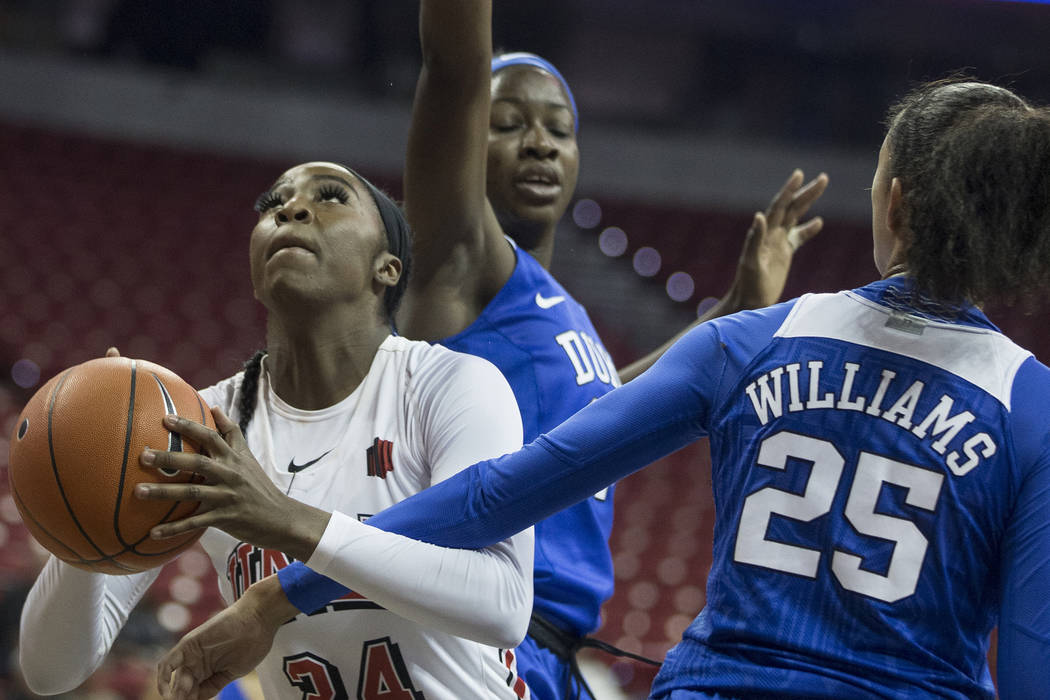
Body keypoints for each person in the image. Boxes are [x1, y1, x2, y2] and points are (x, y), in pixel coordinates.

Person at [157, 78, 1050, 699]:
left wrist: (280, 593)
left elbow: (503, 492)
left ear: (891, 206)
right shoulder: (1033, 407)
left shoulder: (752, 342)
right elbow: (1034, 664)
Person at [267, 3, 828, 697]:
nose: (540, 144)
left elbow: (598, 413)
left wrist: (734, 309)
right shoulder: (458, 259)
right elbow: (453, 70)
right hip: (481, 638)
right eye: (507, 125)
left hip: (548, 654)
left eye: (559, 130)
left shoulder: (554, 311)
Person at [19, 161, 536, 699]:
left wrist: (284, 519)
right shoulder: (204, 425)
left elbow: (501, 604)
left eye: (332, 196)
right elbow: (51, 671)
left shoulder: (450, 384)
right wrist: (91, 475)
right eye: (272, 204)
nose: (289, 209)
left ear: (387, 268)